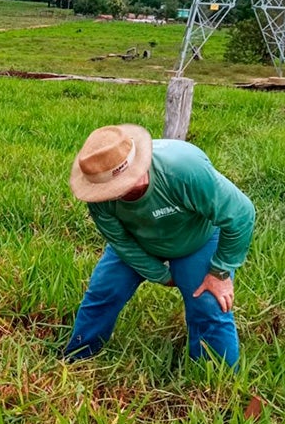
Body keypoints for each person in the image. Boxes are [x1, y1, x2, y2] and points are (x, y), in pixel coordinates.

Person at [64, 124, 255, 370]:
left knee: (208, 305)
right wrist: (161, 276)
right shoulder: (99, 194)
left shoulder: (183, 169)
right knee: (103, 292)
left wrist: (220, 271)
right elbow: (121, 242)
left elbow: (241, 214)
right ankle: (77, 359)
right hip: (138, 240)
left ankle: (216, 382)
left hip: (196, 238)